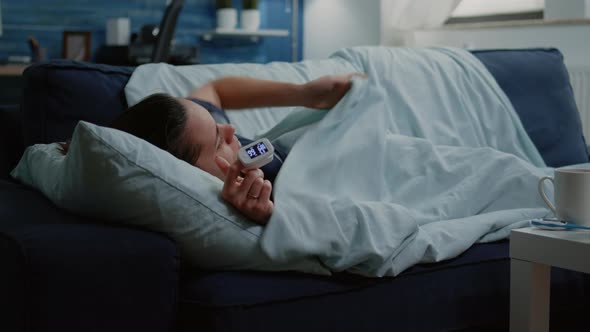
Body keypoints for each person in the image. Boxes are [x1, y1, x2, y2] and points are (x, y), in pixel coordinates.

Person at [60, 73, 364, 224]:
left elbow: (214, 89)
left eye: (217, 126)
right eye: (220, 141)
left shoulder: (192, 130)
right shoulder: (257, 196)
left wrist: (305, 94)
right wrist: (268, 218)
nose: (231, 130)